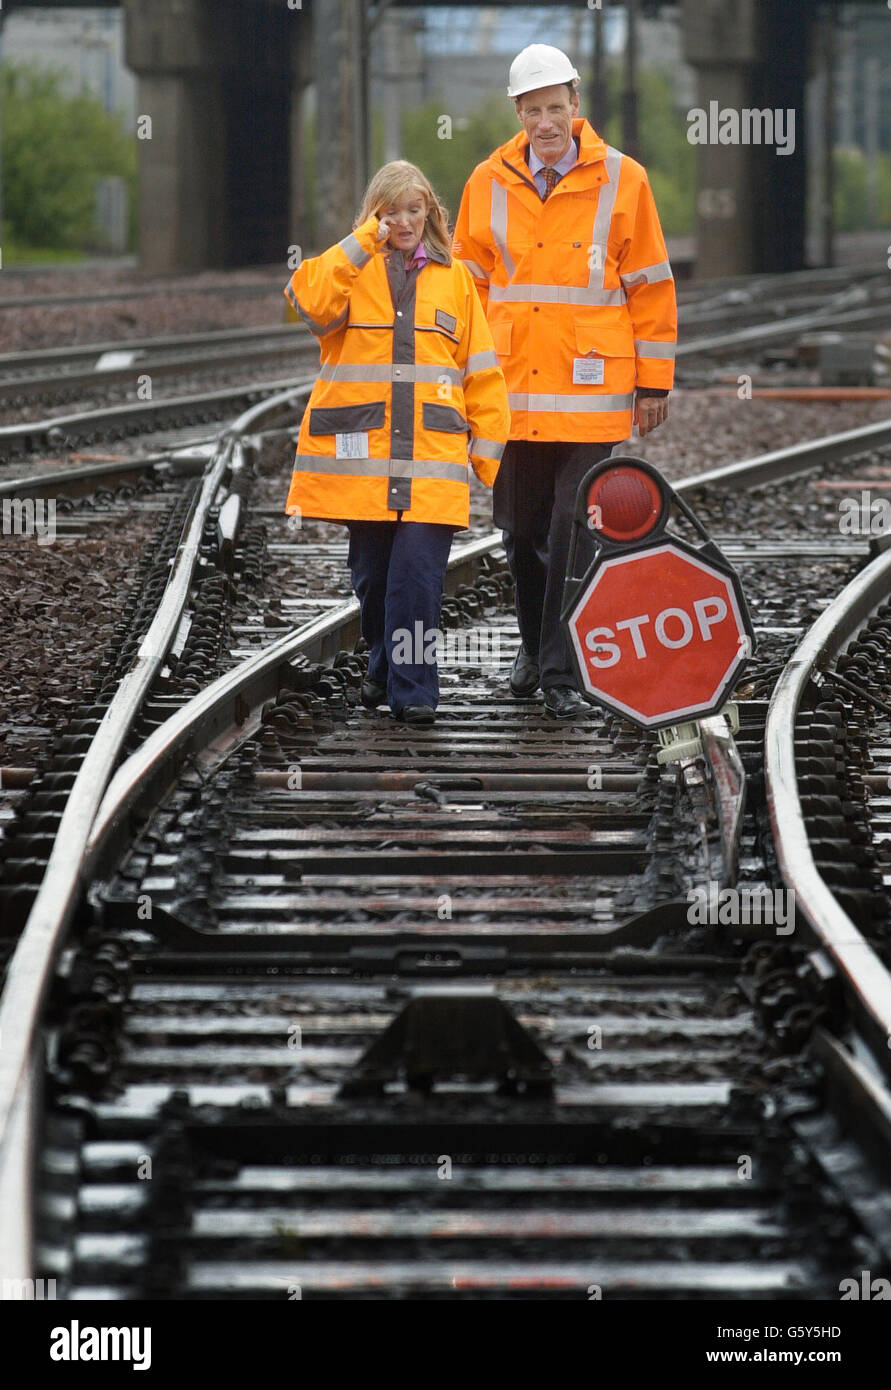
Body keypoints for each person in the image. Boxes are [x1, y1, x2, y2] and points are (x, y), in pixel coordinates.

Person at [453, 44, 677, 719]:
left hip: (590, 396)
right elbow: (466, 287)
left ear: (575, 106)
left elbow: (649, 284)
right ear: (517, 112)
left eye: (555, 107)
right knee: (519, 531)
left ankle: (558, 668)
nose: (544, 120)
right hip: (510, 396)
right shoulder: (484, 183)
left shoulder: (622, 179)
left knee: (570, 527)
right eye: (532, 109)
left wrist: (653, 384)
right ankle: (532, 647)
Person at [284, 161, 510, 725]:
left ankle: (414, 693)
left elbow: (479, 368)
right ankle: (383, 667)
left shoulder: (454, 277)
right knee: (374, 579)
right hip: (365, 465)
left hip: (434, 464)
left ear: (431, 211)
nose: (404, 221)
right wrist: (363, 241)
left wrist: (486, 452)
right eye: (390, 211)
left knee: (416, 581)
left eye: (414, 209)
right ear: (374, 215)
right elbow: (306, 300)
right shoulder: (350, 271)